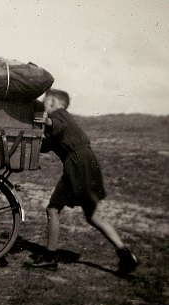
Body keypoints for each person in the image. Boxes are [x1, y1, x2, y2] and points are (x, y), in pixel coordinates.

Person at [26, 88, 138, 274]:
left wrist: (47, 121)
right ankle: (126, 255)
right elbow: (47, 144)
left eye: (46, 103)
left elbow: (57, 124)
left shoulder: (60, 115)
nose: (44, 106)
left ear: (52, 102)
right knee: (92, 215)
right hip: (86, 162)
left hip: (77, 163)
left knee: (52, 209)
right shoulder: (65, 122)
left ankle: (49, 258)